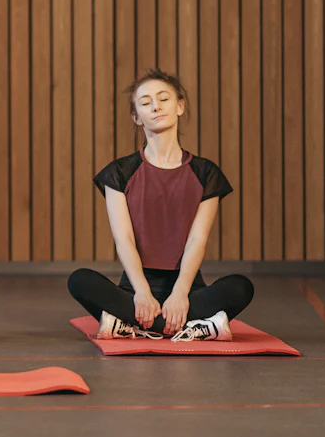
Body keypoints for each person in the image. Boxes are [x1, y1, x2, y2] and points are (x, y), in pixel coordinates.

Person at [67, 69, 254, 342]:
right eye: (145, 103)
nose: (156, 106)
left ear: (180, 106)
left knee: (241, 287)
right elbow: (124, 239)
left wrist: (180, 294)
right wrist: (142, 292)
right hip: (135, 289)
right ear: (136, 117)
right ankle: (193, 326)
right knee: (79, 280)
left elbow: (197, 240)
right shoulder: (118, 172)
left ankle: (132, 326)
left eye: (164, 99)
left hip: (188, 288)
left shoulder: (206, 173)